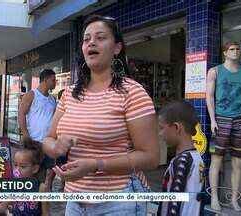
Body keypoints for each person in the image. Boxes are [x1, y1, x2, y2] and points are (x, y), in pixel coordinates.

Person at [42, 15, 159, 215]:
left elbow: (151, 157)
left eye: (100, 37)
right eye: (86, 39)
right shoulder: (70, 93)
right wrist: (55, 147)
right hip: (75, 200)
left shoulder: (132, 92)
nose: (91, 43)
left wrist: (96, 165)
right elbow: (48, 138)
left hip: (118, 200)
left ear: (117, 48)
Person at [206, 41, 241, 211]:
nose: (236, 52)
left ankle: (234, 199)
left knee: (238, 163)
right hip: (220, 120)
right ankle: (214, 197)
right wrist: (212, 120)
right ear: (225, 53)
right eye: (232, 49)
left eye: (238, 49)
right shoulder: (214, 71)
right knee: (216, 160)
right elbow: (209, 97)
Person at [157, 101, 204, 216]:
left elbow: (174, 204)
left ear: (177, 127)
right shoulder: (197, 158)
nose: (160, 133)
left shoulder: (181, 162)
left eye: (162, 128)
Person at [0, 138, 49, 216]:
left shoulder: (41, 188)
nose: (17, 170)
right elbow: (3, 206)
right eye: (15, 165)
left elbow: (45, 213)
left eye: (23, 166)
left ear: (35, 169)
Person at [18, 69, 57, 192]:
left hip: (48, 143)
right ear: (45, 80)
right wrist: (25, 134)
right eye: (53, 80)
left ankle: (43, 200)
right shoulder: (31, 94)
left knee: (47, 172)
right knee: (30, 172)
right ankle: (27, 199)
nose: (55, 83)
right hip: (33, 141)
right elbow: (21, 114)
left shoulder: (52, 99)